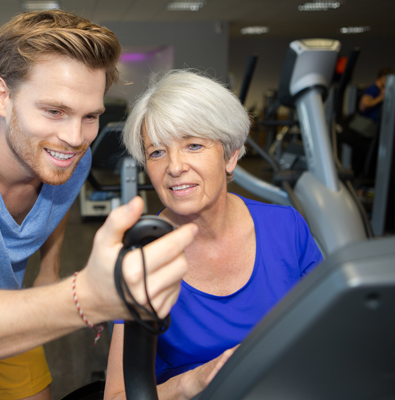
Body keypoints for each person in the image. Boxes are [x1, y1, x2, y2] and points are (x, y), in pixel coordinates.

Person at [0, 11, 198, 400]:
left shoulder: (69, 156)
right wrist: (87, 297)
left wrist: (50, 270)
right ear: (2, 96)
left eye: (90, 116)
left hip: (14, 305)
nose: (74, 137)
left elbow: (55, 203)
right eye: (54, 110)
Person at [104, 70, 324, 400]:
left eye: (193, 145)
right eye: (157, 152)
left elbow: (332, 333)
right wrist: (188, 384)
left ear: (231, 155)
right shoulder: (140, 256)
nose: (174, 166)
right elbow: (117, 396)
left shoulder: (287, 228)